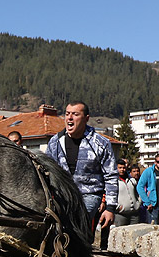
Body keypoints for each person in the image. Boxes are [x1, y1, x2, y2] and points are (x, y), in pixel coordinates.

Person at [45, 101, 117, 232]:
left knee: (75, 224)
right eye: (67, 114)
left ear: (86, 118)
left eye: (75, 114)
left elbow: (111, 176)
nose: (70, 118)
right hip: (62, 196)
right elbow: (47, 171)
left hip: (89, 195)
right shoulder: (55, 142)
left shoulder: (101, 144)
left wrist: (110, 208)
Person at [102, 159, 141, 249]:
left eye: (123, 168)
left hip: (133, 213)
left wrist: (138, 203)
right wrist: (117, 207)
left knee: (134, 235)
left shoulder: (131, 180)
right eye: (120, 168)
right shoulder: (113, 181)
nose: (122, 170)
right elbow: (108, 194)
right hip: (120, 213)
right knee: (120, 236)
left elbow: (137, 192)